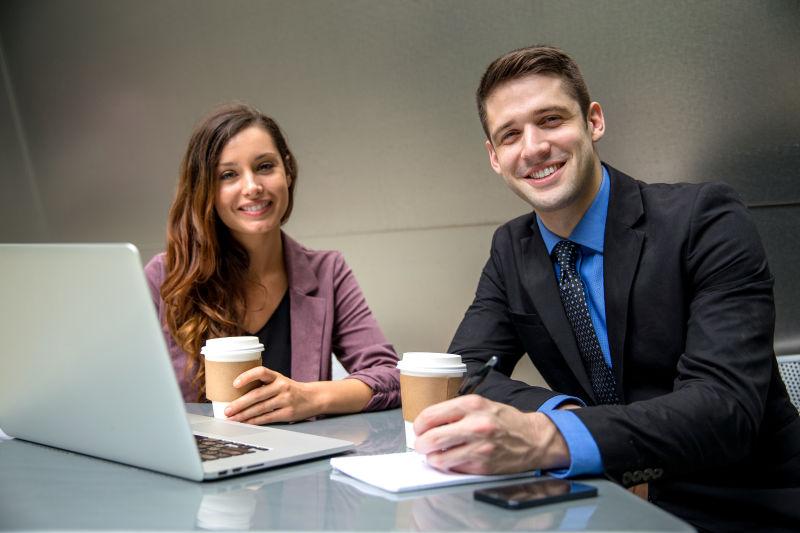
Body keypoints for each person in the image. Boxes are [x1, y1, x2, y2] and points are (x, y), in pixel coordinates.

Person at [413, 45, 800, 531]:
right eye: (510, 135)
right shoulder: (512, 248)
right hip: (601, 500)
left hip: (740, 505)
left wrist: (548, 435)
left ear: (593, 122)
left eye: (551, 119)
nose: (532, 147)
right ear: (494, 157)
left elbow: (724, 409)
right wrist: (564, 416)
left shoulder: (706, 220)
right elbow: (465, 373)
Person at [145, 103, 399, 424]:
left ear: (287, 171)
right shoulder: (165, 276)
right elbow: (120, 388)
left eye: (264, 166)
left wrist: (310, 398)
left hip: (301, 465)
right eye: (228, 175)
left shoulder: (327, 272)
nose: (252, 187)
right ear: (205, 190)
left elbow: (390, 377)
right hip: (196, 462)